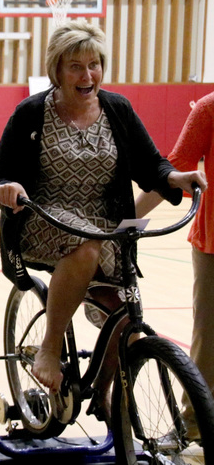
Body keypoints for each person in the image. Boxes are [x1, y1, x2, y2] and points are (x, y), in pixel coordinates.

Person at [0, 20, 206, 403]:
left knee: (127, 325)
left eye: (94, 64)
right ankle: (50, 346)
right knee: (85, 244)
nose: (87, 75)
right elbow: (1, 176)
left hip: (106, 223)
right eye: (75, 66)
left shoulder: (117, 108)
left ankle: (102, 394)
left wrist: (175, 178)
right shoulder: (31, 113)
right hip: (44, 218)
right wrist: (10, 187)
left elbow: (150, 163)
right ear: (56, 69)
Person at [135, 93, 211, 438]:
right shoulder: (209, 108)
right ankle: (194, 426)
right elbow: (171, 173)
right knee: (209, 337)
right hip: (213, 245)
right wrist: (125, 225)